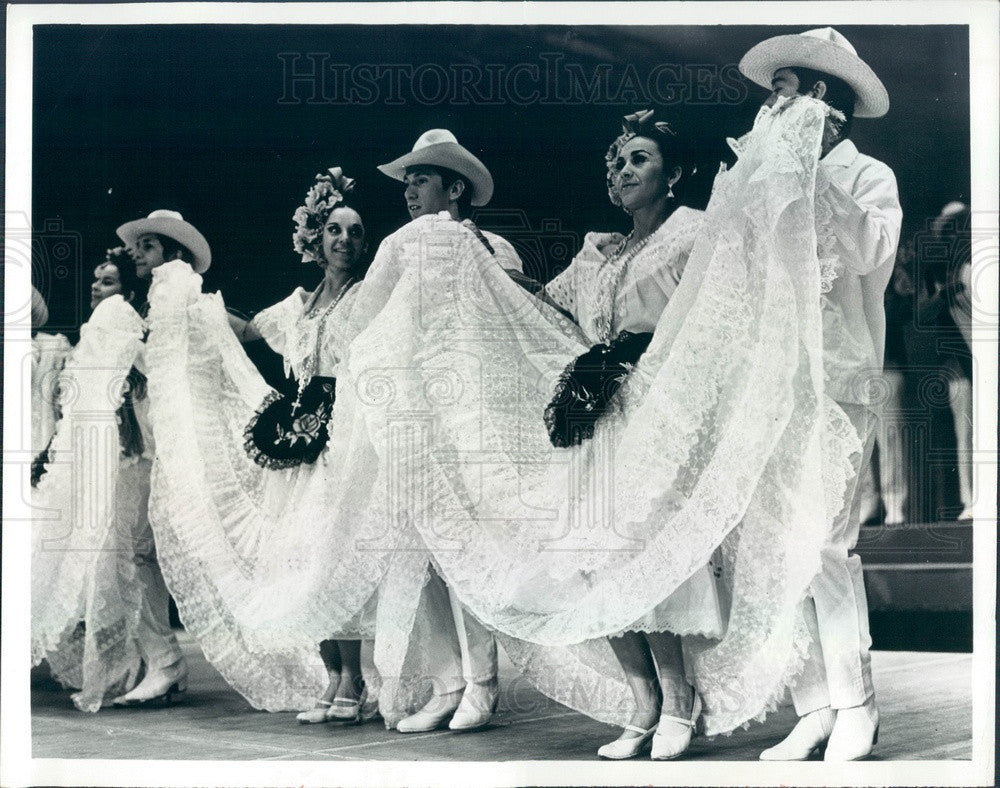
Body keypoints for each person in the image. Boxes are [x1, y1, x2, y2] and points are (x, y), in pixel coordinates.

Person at [330, 88, 862, 758]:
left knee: (641, 556)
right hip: (602, 420)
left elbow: (722, 314)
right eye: (615, 162)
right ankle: (643, 701)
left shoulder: (696, 234)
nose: (622, 171)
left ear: (674, 173)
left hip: (668, 417)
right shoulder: (597, 255)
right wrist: (471, 271)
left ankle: (680, 699)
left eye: (639, 159)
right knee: (590, 560)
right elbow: (545, 317)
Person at [739, 27, 902, 761]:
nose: (775, 106)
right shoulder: (762, 175)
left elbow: (869, 251)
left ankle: (855, 701)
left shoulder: (868, 176)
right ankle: (813, 707)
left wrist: (811, 170)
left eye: (788, 93)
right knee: (776, 547)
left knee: (828, 543)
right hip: (774, 380)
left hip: (839, 378)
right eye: (777, 94)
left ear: (822, 98)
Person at [373, 130, 521, 733]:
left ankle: (483, 683)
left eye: (422, 179)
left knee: (467, 546)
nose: (410, 191)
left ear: (454, 188)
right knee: (418, 550)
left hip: (470, 410)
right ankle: (446, 680)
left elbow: (512, 328)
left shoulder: (492, 247)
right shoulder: (399, 249)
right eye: (407, 180)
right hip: (412, 416)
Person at [31, 248, 157, 711]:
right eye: (96, 281)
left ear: (122, 289)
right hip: (96, 453)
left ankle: (130, 666)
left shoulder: (118, 317)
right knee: (107, 556)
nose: (96, 288)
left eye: (106, 281)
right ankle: (124, 665)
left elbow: (125, 386)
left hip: (122, 456)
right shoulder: (100, 327)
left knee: (118, 555)